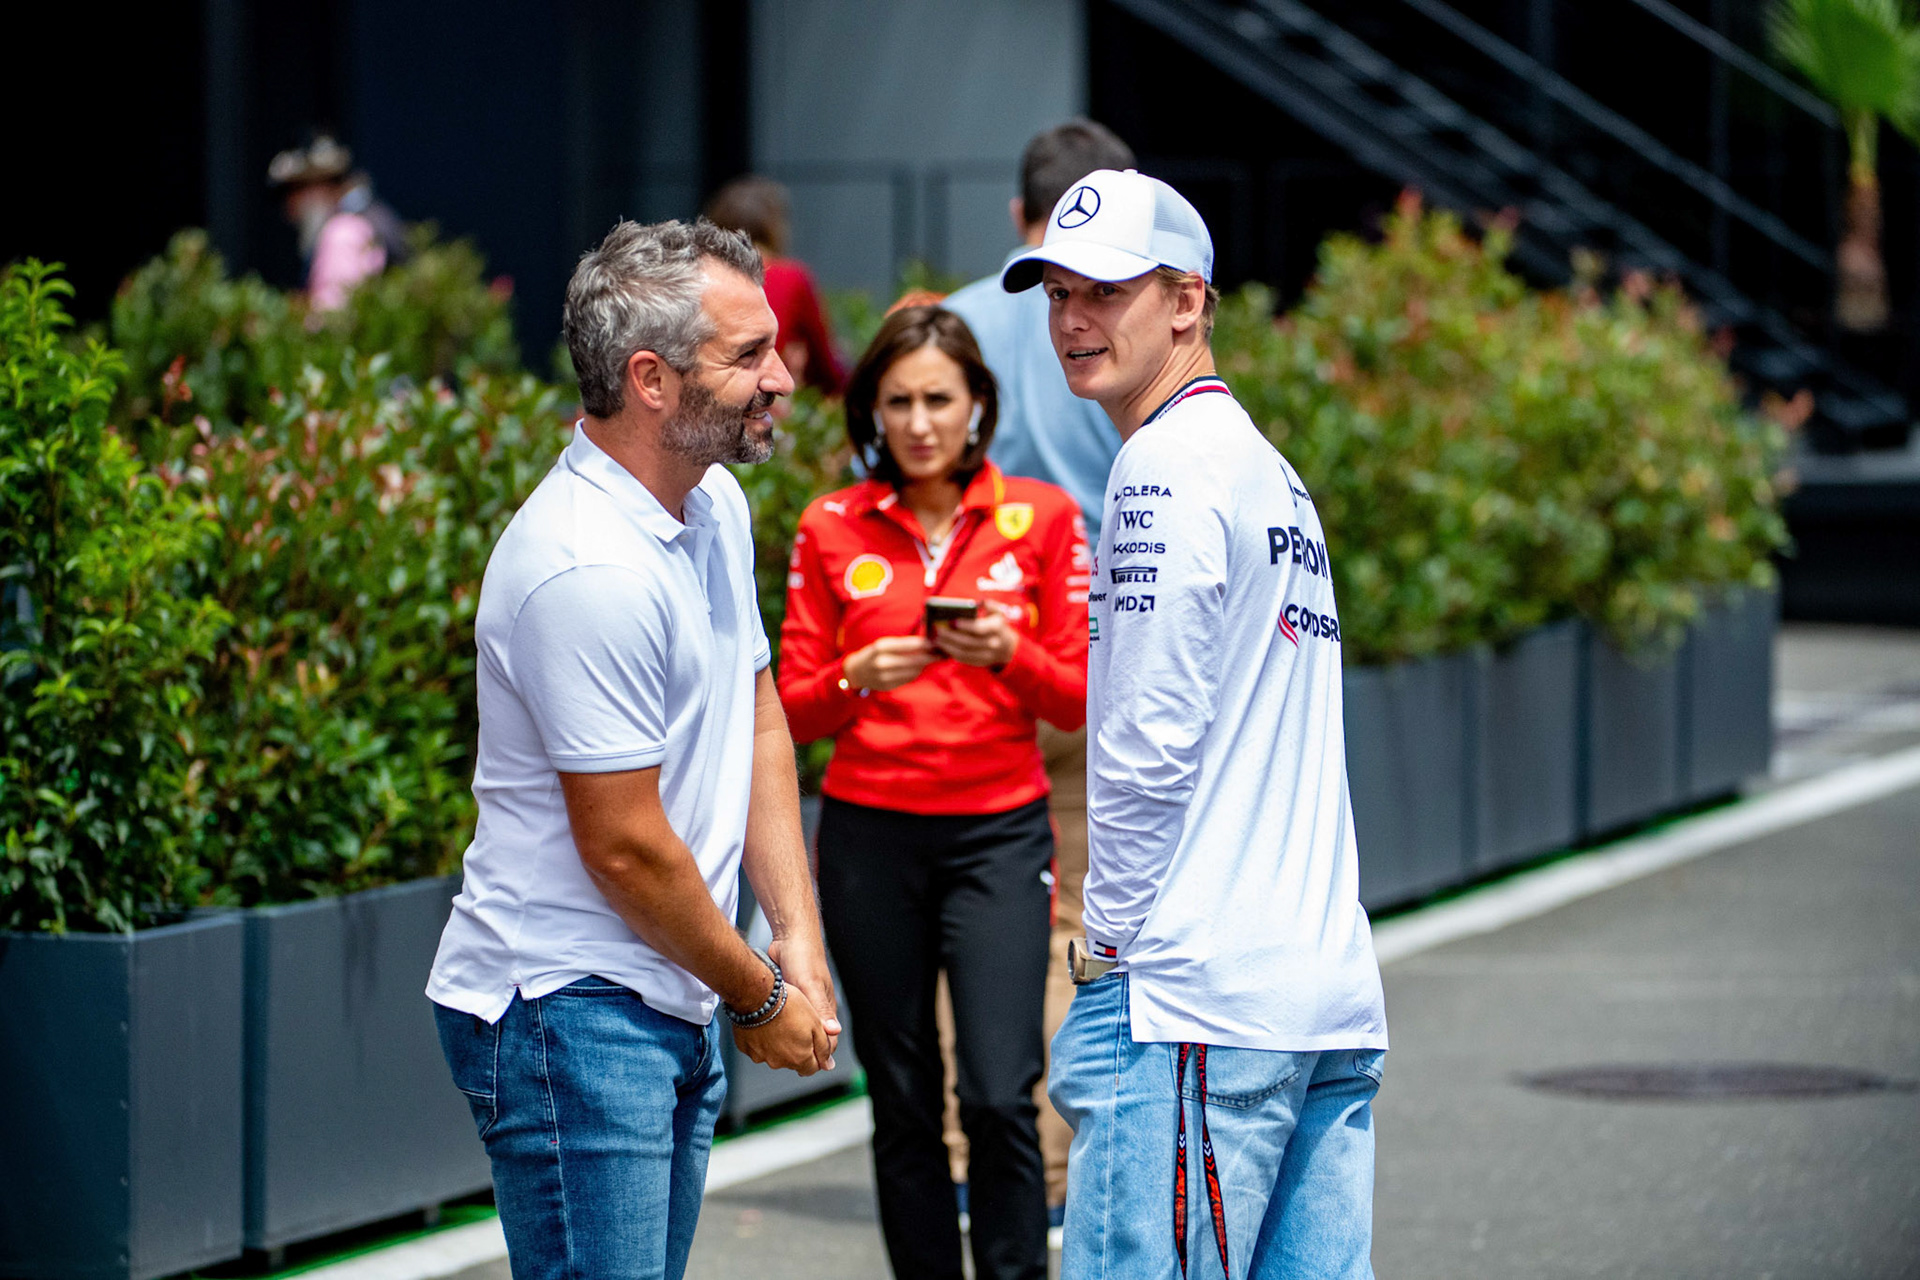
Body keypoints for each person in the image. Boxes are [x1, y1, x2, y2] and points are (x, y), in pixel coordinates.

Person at [427, 218, 840, 1280]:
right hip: (570, 1009)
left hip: (672, 983)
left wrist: (795, 937)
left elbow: (755, 714)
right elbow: (625, 845)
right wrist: (758, 992)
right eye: (748, 354)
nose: (783, 377)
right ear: (650, 379)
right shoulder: (582, 565)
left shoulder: (716, 503)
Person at [1002, 169, 1389, 1278]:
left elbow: (1147, 740)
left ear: (1188, 300)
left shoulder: (1161, 467)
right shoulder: (1271, 473)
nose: (1074, 319)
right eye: (1058, 292)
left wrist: (1110, 956)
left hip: (1194, 998)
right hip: (1320, 991)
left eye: (1106, 290)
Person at [777, 305, 1090, 1280]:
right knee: (904, 1097)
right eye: (898, 400)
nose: (919, 422)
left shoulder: (1040, 516)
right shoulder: (831, 524)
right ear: (871, 408)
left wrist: (1014, 653)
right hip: (871, 836)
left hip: (999, 832)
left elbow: (1079, 697)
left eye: (939, 400)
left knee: (1001, 1089)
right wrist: (854, 677)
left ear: (978, 406)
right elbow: (788, 710)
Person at [943, 116, 1135, 1220]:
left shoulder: (956, 327)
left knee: (968, 909)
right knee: (1078, 913)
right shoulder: (1135, 326)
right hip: (1097, 658)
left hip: (971, 663)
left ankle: (974, 1164)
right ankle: (1061, 1172)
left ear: (1021, 220)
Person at [705, 174, 847, 394]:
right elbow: (825, 368)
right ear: (774, 226)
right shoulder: (791, 278)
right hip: (767, 398)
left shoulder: (701, 276)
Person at [267, 134, 409, 310]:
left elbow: (333, 318)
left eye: (292, 192)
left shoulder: (343, 233)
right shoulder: (366, 216)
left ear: (318, 186)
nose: (289, 210)